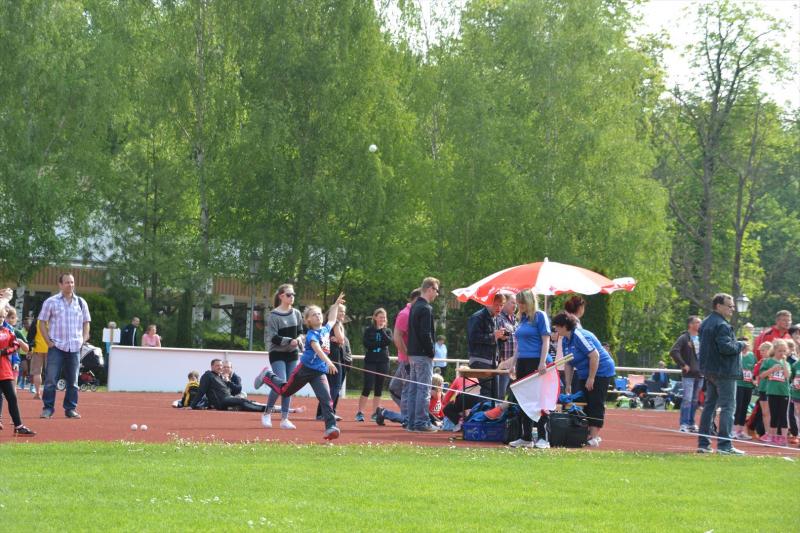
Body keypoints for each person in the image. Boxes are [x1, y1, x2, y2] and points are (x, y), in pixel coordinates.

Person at [259, 293, 346, 440]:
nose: (318, 316)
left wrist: (336, 304)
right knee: (285, 391)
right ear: (308, 320)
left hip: (319, 372)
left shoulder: (326, 329)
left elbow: (332, 319)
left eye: (319, 314)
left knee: (326, 399)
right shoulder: (311, 335)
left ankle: (331, 427)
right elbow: (318, 350)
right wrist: (329, 362)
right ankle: (267, 376)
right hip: (305, 370)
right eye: (314, 315)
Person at [554, 311, 615, 448]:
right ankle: (585, 433)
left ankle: (594, 436)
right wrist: (568, 384)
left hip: (601, 370)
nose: (555, 329)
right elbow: (568, 363)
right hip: (583, 372)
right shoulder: (565, 340)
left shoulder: (579, 336)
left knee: (595, 401)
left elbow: (595, 356)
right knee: (584, 400)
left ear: (564, 326)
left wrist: (591, 378)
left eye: (557, 326)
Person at [695, 293, 747, 455]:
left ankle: (703, 444)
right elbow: (726, 348)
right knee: (728, 407)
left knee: (709, 406)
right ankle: (725, 445)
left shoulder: (705, 323)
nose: (732, 309)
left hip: (709, 370)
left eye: (733, 306)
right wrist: (740, 344)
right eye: (729, 306)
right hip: (724, 371)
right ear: (718, 306)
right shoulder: (722, 325)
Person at [500, 289, 551, 449]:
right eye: (518, 303)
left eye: (522, 303)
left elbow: (546, 341)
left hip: (536, 361)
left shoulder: (540, 316)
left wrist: (542, 362)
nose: (519, 306)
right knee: (523, 399)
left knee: (539, 399)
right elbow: (519, 345)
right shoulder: (521, 318)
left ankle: (543, 437)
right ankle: (526, 436)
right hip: (522, 361)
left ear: (529, 302)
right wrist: (513, 364)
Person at [38, 273, 91, 420]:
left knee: (73, 381)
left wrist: (83, 339)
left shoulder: (81, 302)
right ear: (60, 284)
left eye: (72, 282)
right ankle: (48, 409)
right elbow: (41, 322)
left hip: (74, 347)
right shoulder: (51, 302)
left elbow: (86, 322)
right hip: (56, 346)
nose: (70, 285)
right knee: (50, 380)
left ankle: (70, 409)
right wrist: (48, 341)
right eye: (67, 282)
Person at [260, 284, 304, 430]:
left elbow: (301, 332)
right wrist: (289, 341)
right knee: (282, 382)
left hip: (292, 353)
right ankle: (267, 413)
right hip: (277, 353)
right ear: (281, 296)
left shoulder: (296, 313)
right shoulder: (273, 315)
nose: (292, 297)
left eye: (293, 294)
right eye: (289, 295)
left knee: (289, 385)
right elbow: (273, 337)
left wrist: (299, 339)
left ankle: (285, 419)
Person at [405, 277, 440, 432]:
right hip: (422, 355)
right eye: (436, 290)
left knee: (413, 389)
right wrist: (431, 352)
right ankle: (421, 422)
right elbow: (426, 334)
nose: (437, 294)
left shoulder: (414, 306)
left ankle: (412, 422)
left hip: (413, 354)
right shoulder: (426, 308)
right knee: (424, 390)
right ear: (430, 289)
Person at [0, 290, 35, 435]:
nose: (2, 318)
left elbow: (15, 344)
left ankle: (18, 426)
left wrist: (5, 351)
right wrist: (5, 298)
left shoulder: (7, 330)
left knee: (12, 398)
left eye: (3, 316)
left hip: (5, 369)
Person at [388, 288, 421, 425]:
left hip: (409, 359)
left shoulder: (413, 313)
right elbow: (397, 337)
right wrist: (407, 357)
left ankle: (407, 415)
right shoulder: (405, 314)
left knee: (395, 388)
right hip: (406, 360)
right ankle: (407, 417)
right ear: (416, 299)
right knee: (406, 389)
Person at [467, 292, 507, 400]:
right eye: (496, 305)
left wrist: (502, 338)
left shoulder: (496, 318)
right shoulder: (477, 317)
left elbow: (494, 341)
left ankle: (485, 408)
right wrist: (493, 336)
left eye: (501, 305)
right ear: (488, 303)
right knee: (488, 393)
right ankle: (480, 408)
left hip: (492, 361)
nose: (499, 308)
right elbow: (473, 338)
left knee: (495, 395)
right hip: (480, 360)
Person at [669, 316, 703, 432]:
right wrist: (683, 364)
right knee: (687, 399)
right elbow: (674, 351)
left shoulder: (702, 338)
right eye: (697, 322)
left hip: (700, 374)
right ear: (690, 325)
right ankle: (683, 424)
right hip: (688, 375)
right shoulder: (684, 337)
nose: (700, 325)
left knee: (695, 400)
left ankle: (691, 423)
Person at [316, 302, 349, 422]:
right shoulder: (335, 323)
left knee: (333, 387)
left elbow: (341, 340)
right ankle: (325, 413)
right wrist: (340, 339)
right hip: (333, 359)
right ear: (333, 312)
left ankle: (328, 412)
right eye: (340, 311)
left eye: (344, 311)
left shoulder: (336, 324)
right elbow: (341, 339)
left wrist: (340, 339)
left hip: (336, 358)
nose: (343, 314)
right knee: (334, 387)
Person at [191, 359, 265, 412]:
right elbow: (201, 391)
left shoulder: (220, 376)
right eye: (217, 365)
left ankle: (264, 406)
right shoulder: (207, 376)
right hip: (221, 401)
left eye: (221, 365)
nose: (220, 367)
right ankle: (263, 409)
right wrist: (192, 405)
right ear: (212, 366)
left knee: (244, 402)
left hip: (228, 398)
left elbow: (237, 389)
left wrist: (228, 382)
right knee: (242, 401)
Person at [358, 308, 392, 422]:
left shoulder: (387, 331)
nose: (382, 319)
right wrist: (379, 344)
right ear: (375, 318)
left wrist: (381, 331)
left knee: (379, 387)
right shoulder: (369, 330)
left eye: (384, 317)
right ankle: (360, 412)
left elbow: (388, 342)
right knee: (367, 386)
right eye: (380, 317)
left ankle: (375, 413)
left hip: (383, 362)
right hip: (370, 362)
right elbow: (367, 344)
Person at [758, 339, 791, 446]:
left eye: (784, 351)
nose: (782, 353)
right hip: (772, 392)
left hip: (784, 393)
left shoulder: (786, 363)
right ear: (774, 350)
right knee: (774, 415)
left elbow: (787, 376)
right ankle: (772, 436)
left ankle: (783, 438)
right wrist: (772, 369)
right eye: (779, 351)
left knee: (783, 415)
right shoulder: (768, 361)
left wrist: (784, 363)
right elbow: (762, 375)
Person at [733, 339, 757, 440]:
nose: (745, 345)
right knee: (737, 407)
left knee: (744, 408)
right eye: (743, 343)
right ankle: (733, 430)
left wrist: (755, 379)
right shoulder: (736, 355)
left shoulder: (752, 356)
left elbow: (755, 370)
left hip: (748, 385)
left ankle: (740, 431)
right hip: (738, 384)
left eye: (747, 343)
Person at [495, 294, 517, 399]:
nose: (515, 306)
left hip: (514, 365)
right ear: (505, 303)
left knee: (513, 397)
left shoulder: (515, 319)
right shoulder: (499, 318)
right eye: (513, 303)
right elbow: (497, 336)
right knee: (500, 396)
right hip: (503, 365)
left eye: (516, 303)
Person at [27, 306, 47, 400]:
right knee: (51, 373)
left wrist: (29, 349)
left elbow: (30, 337)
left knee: (37, 372)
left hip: (38, 349)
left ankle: (38, 393)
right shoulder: (53, 320)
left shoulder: (36, 321)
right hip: (51, 349)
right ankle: (49, 393)